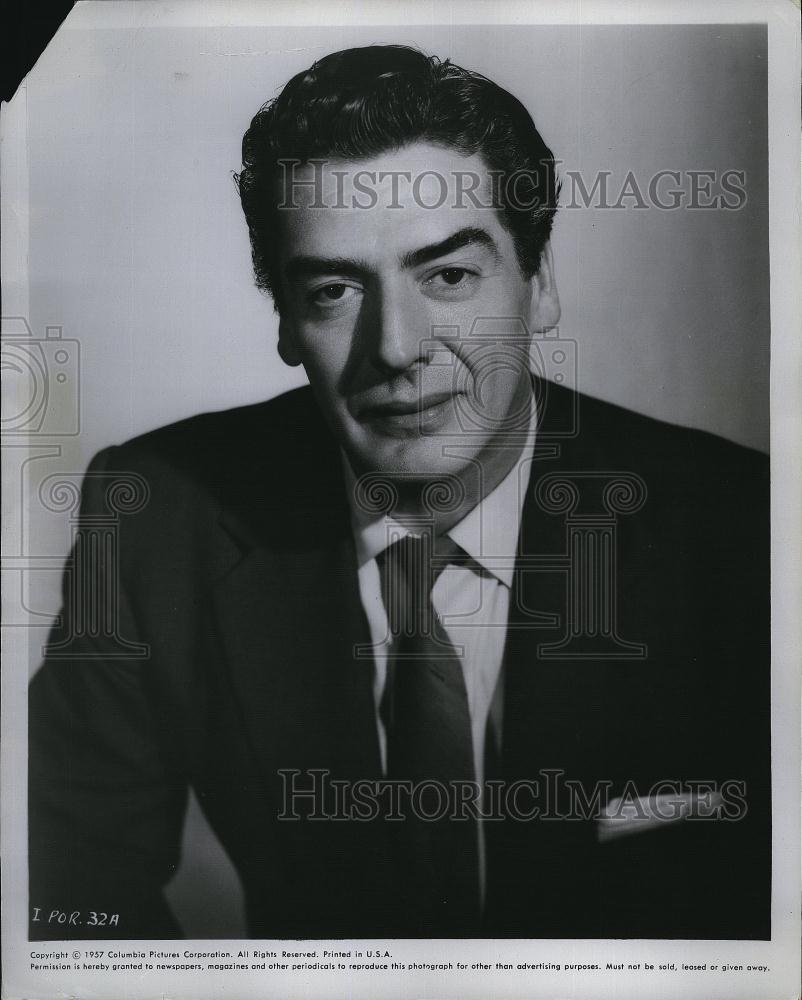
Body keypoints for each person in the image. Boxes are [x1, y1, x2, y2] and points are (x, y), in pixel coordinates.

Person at [29, 44, 770, 941]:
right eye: (336, 290)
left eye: (449, 276)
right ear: (286, 324)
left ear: (539, 288)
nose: (398, 348)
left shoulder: (748, 530)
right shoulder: (153, 516)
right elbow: (66, 895)